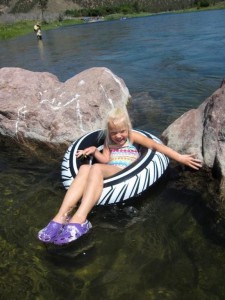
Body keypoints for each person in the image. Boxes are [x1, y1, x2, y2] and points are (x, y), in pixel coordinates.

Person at [38, 107, 202, 245]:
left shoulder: (132, 137)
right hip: (110, 169)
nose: (118, 135)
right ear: (109, 131)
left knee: (95, 168)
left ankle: (80, 219)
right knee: (84, 170)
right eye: (114, 132)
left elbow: (154, 145)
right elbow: (106, 160)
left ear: (128, 128)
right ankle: (61, 216)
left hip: (124, 172)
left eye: (122, 131)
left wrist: (180, 157)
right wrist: (95, 151)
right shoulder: (108, 142)